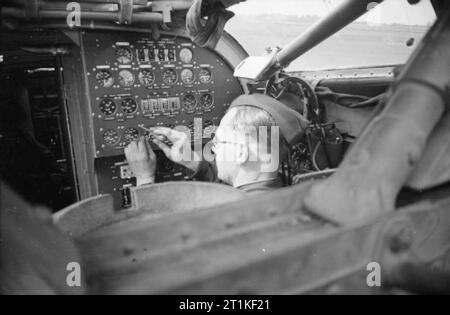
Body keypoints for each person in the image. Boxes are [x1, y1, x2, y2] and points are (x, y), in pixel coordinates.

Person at [125, 94, 307, 194]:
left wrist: (144, 179)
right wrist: (192, 162)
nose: (212, 147)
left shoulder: (224, 218)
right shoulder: (280, 185)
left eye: (219, 141)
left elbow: (147, 249)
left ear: (241, 153)